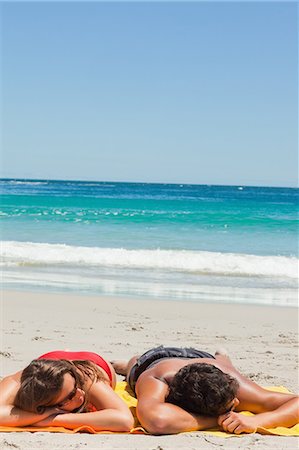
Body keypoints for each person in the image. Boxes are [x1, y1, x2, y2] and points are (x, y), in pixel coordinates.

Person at [112, 345, 299, 435]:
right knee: (133, 366)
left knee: (224, 363)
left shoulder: (231, 383)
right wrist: (216, 420)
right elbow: (157, 421)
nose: (238, 403)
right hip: (152, 362)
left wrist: (257, 420)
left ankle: (223, 358)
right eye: (230, 407)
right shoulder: (156, 381)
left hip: (205, 361)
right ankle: (125, 364)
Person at [0, 350, 134, 431]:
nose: (80, 393)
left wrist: (54, 419)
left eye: (75, 386)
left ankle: (127, 365)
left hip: (87, 363)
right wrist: (45, 414)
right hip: (48, 368)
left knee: (132, 373)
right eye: (70, 396)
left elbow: (124, 420)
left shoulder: (86, 378)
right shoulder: (21, 380)